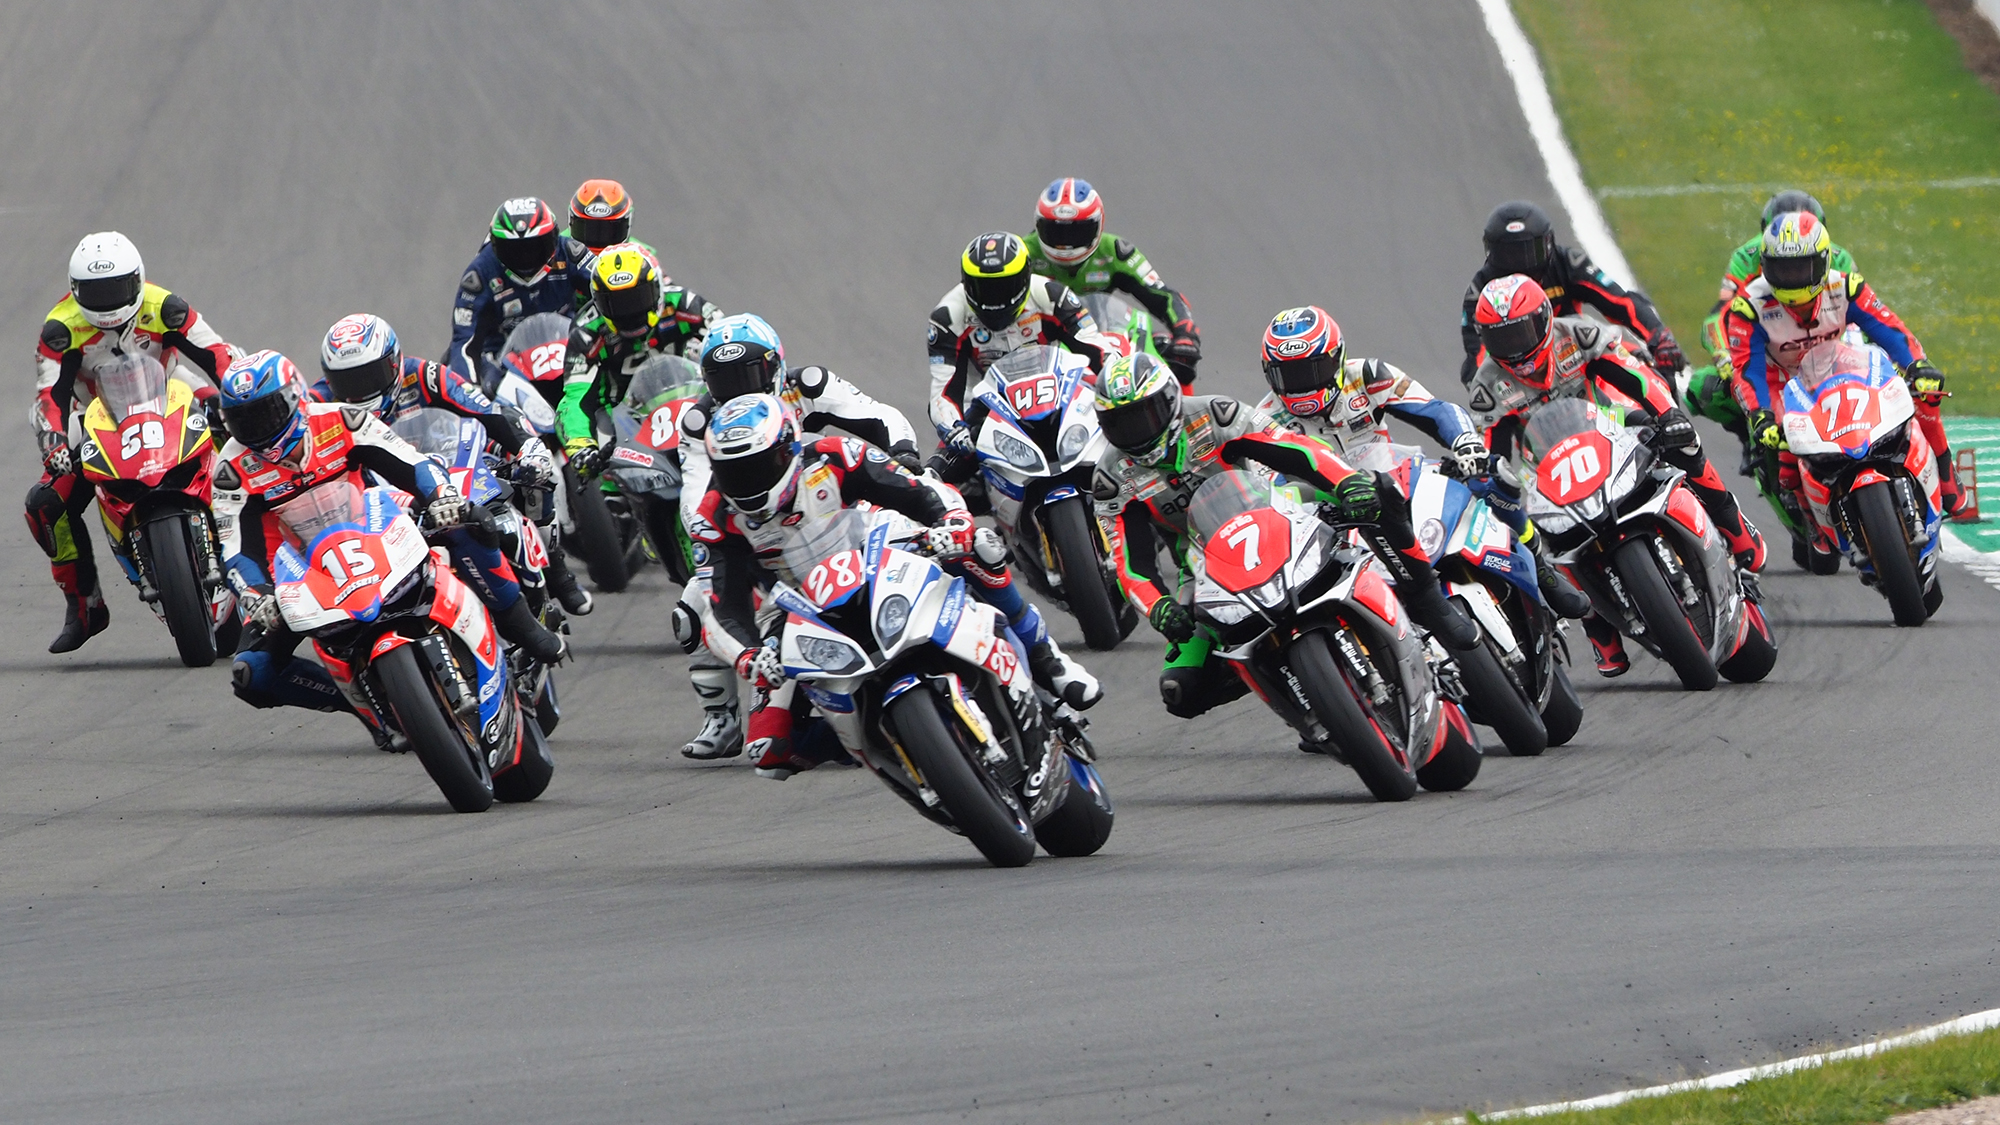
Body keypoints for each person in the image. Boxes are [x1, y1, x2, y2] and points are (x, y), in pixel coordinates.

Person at [692, 393, 1101, 778]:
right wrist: (748, 656)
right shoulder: (713, 518)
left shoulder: (834, 456)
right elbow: (722, 606)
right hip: (793, 607)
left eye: (757, 466)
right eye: (732, 472)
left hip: (877, 548)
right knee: (768, 750)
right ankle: (881, 742)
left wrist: (950, 522)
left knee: (977, 548)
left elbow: (915, 487)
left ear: (788, 450)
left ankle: (1048, 660)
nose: (746, 482)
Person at [1091, 352, 1479, 722]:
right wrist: (1158, 607)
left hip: (1277, 510)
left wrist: (1345, 482)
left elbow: (1292, 448)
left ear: (1171, 400)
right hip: (1204, 568)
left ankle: (1428, 599)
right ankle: (1310, 698)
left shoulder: (1214, 414)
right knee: (1181, 690)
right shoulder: (1111, 479)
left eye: (1145, 415)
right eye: (1120, 424)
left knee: (1377, 493)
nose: (1136, 433)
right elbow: (1128, 563)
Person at [213, 350, 565, 744]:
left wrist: (442, 496)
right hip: (298, 572)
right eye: (243, 420)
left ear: (295, 397)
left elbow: (412, 463)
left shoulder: (341, 419)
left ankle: (522, 626)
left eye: (267, 413)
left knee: (470, 524)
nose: (258, 429)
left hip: (372, 528)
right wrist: (256, 593)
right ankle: (363, 702)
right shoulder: (230, 470)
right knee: (251, 673)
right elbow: (235, 549)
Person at [1471, 275, 1767, 676]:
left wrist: (1668, 415)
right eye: (1502, 338)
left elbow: (1635, 375)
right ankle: (1597, 627)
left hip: (1610, 421)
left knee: (1683, 442)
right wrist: (1496, 487)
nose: (1515, 348)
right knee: (1538, 537)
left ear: (1544, 319)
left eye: (1521, 332)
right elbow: (1492, 455)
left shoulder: (1578, 335)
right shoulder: (1487, 386)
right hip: (1546, 462)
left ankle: (1732, 524)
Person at [669, 314, 926, 759]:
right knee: (696, 603)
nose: (739, 390)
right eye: (725, 380)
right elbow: (694, 500)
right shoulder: (698, 422)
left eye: (748, 375)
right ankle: (722, 717)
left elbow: (879, 416)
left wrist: (904, 455)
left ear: (775, 366)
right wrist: (724, 532)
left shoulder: (807, 384)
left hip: (829, 507)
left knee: (924, 528)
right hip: (757, 535)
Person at [1253, 305, 1589, 620]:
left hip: (1398, 480)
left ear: (1336, 358)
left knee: (1489, 475)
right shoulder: (1264, 421)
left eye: (1311, 370)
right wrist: (1308, 503)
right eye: (1288, 376)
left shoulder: (1368, 375)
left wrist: (1466, 442)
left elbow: (1435, 410)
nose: (1301, 386)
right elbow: (1266, 489)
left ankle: (1540, 567)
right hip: (1335, 515)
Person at [28, 231, 234, 652]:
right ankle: (85, 605)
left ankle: (280, 562)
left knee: (252, 438)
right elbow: (50, 394)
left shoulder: (166, 308)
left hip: (173, 391)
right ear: (75, 290)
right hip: (95, 414)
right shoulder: (60, 329)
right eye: (96, 292)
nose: (108, 302)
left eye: (117, 288)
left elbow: (218, 355)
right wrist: (53, 441)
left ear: (138, 279)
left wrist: (236, 400)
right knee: (45, 505)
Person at [311, 313, 589, 615]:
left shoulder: (423, 374)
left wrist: (527, 447)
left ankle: (556, 569)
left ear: (394, 363)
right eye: (346, 382)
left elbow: (487, 411)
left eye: (369, 376)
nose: (359, 391)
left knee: (536, 477)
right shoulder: (317, 403)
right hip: (375, 492)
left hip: (446, 466)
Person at [1723, 210, 1958, 515]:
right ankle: (1808, 516)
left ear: (1822, 262)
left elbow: (1889, 329)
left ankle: (1945, 475)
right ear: (1766, 267)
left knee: (1923, 392)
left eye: (1801, 267)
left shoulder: (1847, 287)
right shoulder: (1747, 308)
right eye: (1782, 269)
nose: (1791, 278)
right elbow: (1748, 370)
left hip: (1840, 367)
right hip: (1782, 383)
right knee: (1782, 446)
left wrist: (1917, 365)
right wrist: (1761, 415)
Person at [928, 231, 1116, 464]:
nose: (994, 299)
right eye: (983, 288)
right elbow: (943, 389)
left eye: (1004, 287)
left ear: (1025, 276)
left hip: (1058, 393)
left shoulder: (1052, 296)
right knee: (936, 474)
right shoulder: (947, 317)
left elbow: (1095, 347)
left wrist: (1117, 376)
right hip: (986, 407)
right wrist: (954, 427)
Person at [1458, 201, 1683, 385]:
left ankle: (1670, 423)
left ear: (1548, 245)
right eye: (1509, 255)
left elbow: (1621, 302)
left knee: (1654, 371)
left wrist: (1659, 337)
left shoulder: (1568, 263)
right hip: (1522, 378)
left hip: (1579, 354)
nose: (1520, 264)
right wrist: (1486, 390)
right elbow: (1477, 358)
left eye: (1529, 252)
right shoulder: (1479, 293)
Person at [557, 243, 720, 476]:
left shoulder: (685, 304)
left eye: (637, 298)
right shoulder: (587, 332)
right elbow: (574, 397)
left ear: (657, 287)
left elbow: (727, 340)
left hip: (692, 401)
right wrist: (581, 447)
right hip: (621, 420)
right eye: (614, 303)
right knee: (603, 476)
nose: (628, 312)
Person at [1020, 178, 1203, 384]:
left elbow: (1162, 295)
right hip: (1042, 340)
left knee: (1177, 357)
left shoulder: (1116, 251)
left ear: (1098, 225)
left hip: (1100, 334)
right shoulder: (1022, 252)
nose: (1065, 244)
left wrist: (1185, 334)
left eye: (1077, 232)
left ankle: (1180, 404)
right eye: (1055, 231)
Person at [446, 197, 592, 381]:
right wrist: (469, 390)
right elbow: (463, 341)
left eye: (535, 247)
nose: (526, 258)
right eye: (514, 250)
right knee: (451, 367)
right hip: (500, 359)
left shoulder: (571, 252)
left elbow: (606, 287)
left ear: (554, 238)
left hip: (567, 348)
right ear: (496, 246)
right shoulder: (480, 273)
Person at [565, 179, 647, 273]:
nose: (597, 238)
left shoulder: (643, 256)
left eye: (606, 231)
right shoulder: (558, 249)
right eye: (591, 230)